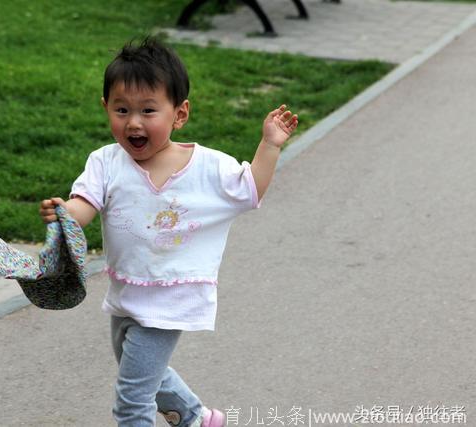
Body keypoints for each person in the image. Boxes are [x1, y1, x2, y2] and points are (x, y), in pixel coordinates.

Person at [39, 37, 298, 427]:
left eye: (148, 110)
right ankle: (195, 417)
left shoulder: (207, 167)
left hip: (171, 297)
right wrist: (66, 214)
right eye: (121, 109)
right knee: (143, 370)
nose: (134, 122)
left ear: (179, 114)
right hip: (127, 289)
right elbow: (86, 203)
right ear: (105, 107)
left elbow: (249, 191)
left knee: (132, 400)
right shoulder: (106, 162)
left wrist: (269, 146)